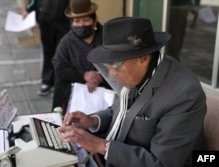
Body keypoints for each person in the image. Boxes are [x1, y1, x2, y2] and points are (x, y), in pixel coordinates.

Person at [59, 17, 207, 167]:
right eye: (107, 64)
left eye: (115, 64)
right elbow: (123, 112)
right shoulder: (140, 73)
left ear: (143, 59)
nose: (110, 73)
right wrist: (93, 121)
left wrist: (99, 145)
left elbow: (161, 163)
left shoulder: (184, 93)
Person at [52, 0, 111, 114]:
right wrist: (84, 75)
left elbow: (119, 63)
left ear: (94, 22)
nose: (81, 24)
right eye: (77, 21)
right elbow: (59, 68)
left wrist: (98, 77)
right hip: (72, 98)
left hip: (106, 96)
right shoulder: (67, 42)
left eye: (85, 20)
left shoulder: (108, 38)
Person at [23, 0, 70, 95]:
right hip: (46, 19)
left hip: (64, 19)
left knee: (62, 53)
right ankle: (47, 81)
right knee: (48, 52)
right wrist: (28, 9)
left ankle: (60, 81)